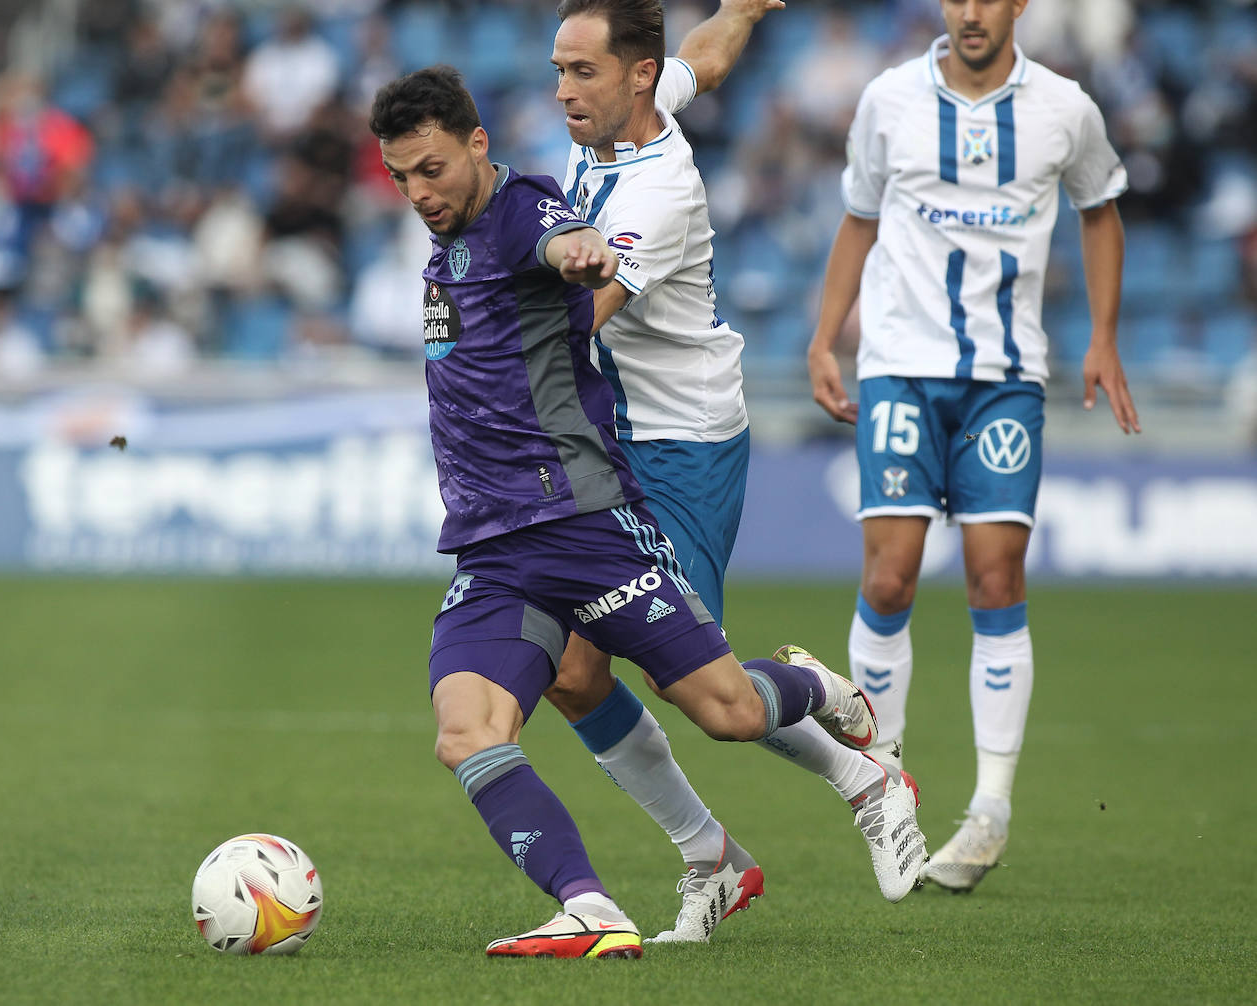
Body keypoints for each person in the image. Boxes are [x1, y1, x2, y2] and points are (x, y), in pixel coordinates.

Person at [370, 64, 878, 958]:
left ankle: (821, 689)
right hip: (494, 552)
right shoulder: (446, 248)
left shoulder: (523, 209)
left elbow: (565, 240)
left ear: (476, 145)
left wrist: (585, 253)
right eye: (401, 175)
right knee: (466, 731)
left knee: (726, 712)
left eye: (433, 169)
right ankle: (591, 908)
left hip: (587, 526)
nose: (419, 192)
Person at [543, 0, 928, 942]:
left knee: (709, 697)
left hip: (683, 447)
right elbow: (701, 62)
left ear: (632, 76)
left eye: (581, 72)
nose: (563, 91)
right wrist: (738, 11)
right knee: (571, 670)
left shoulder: (658, 193)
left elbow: (576, 319)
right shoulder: (633, 108)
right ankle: (709, 856)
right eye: (559, 70)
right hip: (612, 440)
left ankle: (853, 751)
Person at [806, 0, 1141, 892]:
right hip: (900, 368)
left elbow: (1101, 210)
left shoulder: (1064, 108)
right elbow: (859, 218)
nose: (970, 12)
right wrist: (822, 336)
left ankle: (990, 808)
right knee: (889, 577)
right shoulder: (888, 100)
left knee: (997, 579)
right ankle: (888, 785)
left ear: (1019, 5)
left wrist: (1102, 337)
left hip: (1004, 377)